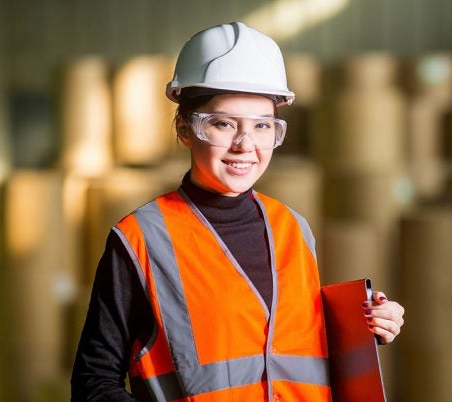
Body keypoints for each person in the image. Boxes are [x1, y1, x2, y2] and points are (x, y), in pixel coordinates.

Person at [71, 21, 405, 402]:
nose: (245, 145)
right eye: (224, 124)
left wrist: (364, 328)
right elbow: (93, 384)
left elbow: (287, 346)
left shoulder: (292, 227)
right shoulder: (140, 239)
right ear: (184, 129)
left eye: (262, 126)